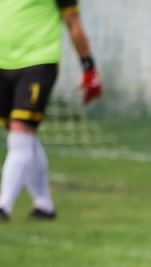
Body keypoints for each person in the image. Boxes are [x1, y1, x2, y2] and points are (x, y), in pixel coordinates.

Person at [0, 0, 100, 221]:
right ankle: (44, 205)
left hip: (38, 61)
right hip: (3, 64)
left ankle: (3, 205)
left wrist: (89, 68)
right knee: (23, 138)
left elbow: (73, 23)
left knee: (20, 132)